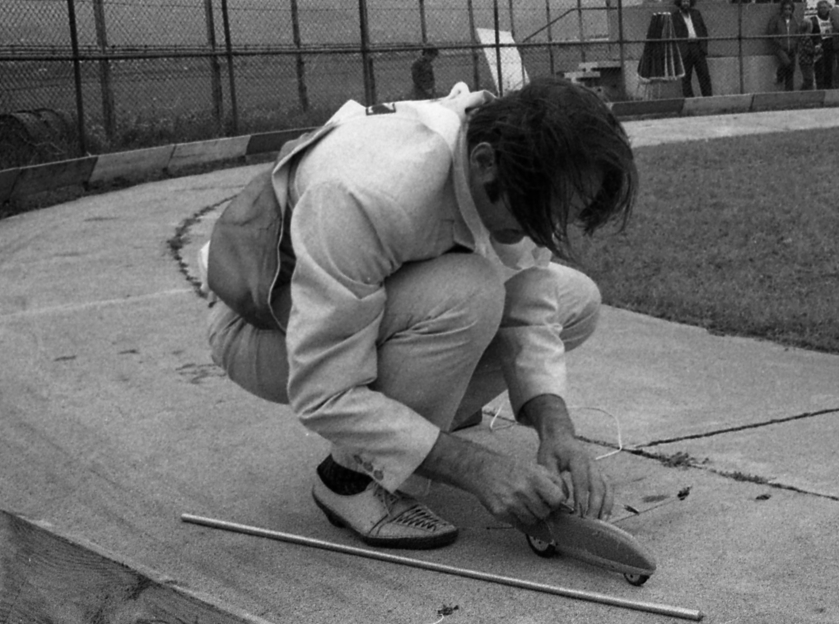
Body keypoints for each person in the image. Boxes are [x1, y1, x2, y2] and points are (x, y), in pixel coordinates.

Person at [203, 78, 638, 548]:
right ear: (484, 161)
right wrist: (477, 468)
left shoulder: (522, 170)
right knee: (472, 293)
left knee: (576, 300)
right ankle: (350, 480)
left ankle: (421, 424)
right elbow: (323, 393)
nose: (544, 231)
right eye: (535, 216)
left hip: (371, 306)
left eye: (560, 217)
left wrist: (559, 433)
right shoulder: (370, 191)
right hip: (259, 330)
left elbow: (531, 311)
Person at [670, 0, 713, 97]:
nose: (686, 3)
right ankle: (690, 101)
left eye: (688, 1)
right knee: (686, 77)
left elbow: (703, 30)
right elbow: (673, 33)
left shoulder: (696, 13)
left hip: (698, 48)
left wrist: (703, 46)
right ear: (679, 2)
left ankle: (708, 98)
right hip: (685, 49)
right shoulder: (674, 16)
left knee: (704, 75)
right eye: (684, 1)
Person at [764, 0, 809, 90]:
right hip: (780, 47)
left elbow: (797, 32)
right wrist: (778, 41)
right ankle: (779, 76)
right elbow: (770, 31)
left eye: (789, 9)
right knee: (786, 63)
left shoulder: (794, 20)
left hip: (791, 47)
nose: (787, 11)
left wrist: (795, 42)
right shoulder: (776, 19)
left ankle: (789, 90)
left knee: (791, 70)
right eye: (785, 9)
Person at [809, 0, 839, 90]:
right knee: (820, 69)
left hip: (831, 45)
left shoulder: (832, 17)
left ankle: (830, 87)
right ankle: (820, 88)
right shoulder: (814, 19)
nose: (823, 10)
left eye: (825, 8)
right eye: (821, 8)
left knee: (830, 68)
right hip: (820, 46)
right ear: (818, 9)